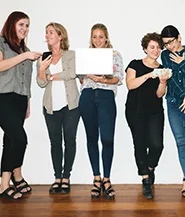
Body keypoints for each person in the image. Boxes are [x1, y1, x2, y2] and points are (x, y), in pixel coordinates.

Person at [0, 11, 41, 200]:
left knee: (11, 139)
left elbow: (27, 80)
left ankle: (14, 179)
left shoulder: (26, 50)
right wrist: (24, 57)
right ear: (11, 25)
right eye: (21, 24)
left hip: (19, 98)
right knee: (19, 138)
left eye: (27, 25)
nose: (24, 29)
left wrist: (28, 102)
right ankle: (5, 185)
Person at [79, 23, 123, 199]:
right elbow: (81, 80)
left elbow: (118, 79)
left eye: (101, 36)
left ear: (106, 38)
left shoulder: (114, 55)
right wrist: (87, 76)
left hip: (106, 96)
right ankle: (96, 178)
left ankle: (107, 178)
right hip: (88, 96)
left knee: (107, 139)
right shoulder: (84, 55)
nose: (97, 40)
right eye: (94, 36)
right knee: (91, 138)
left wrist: (103, 78)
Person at [36, 23, 80, 194]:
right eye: (46, 32)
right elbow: (40, 83)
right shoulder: (43, 58)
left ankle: (66, 177)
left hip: (70, 106)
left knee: (70, 141)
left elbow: (71, 73)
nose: (47, 35)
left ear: (60, 36)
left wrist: (50, 76)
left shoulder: (70, 55)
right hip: (50, 106)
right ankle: (57, 177)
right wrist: (41, 69)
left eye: (51, 32)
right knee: (55, 142)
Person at [125, 33, 170, 199]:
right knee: (140, 144)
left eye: (158, 47)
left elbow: (160, 94)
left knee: (157, 145)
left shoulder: (163, 68)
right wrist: (149, 75)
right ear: (145, 48)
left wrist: (163, 82)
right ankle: (145, 180)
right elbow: (130, 85)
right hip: (135, 111)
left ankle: (150, 167)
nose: (156, 50)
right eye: (152, 47)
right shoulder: (135, 64)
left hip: (155, 111)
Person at [160, 25, 185, 207]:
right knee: (180, 141)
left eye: (171, 42)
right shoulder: (164, 56)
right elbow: (171, 78)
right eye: (165, 44)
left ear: (179, 38)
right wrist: (184, 94)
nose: (169, 46)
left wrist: (181, 63)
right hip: (174, 102)